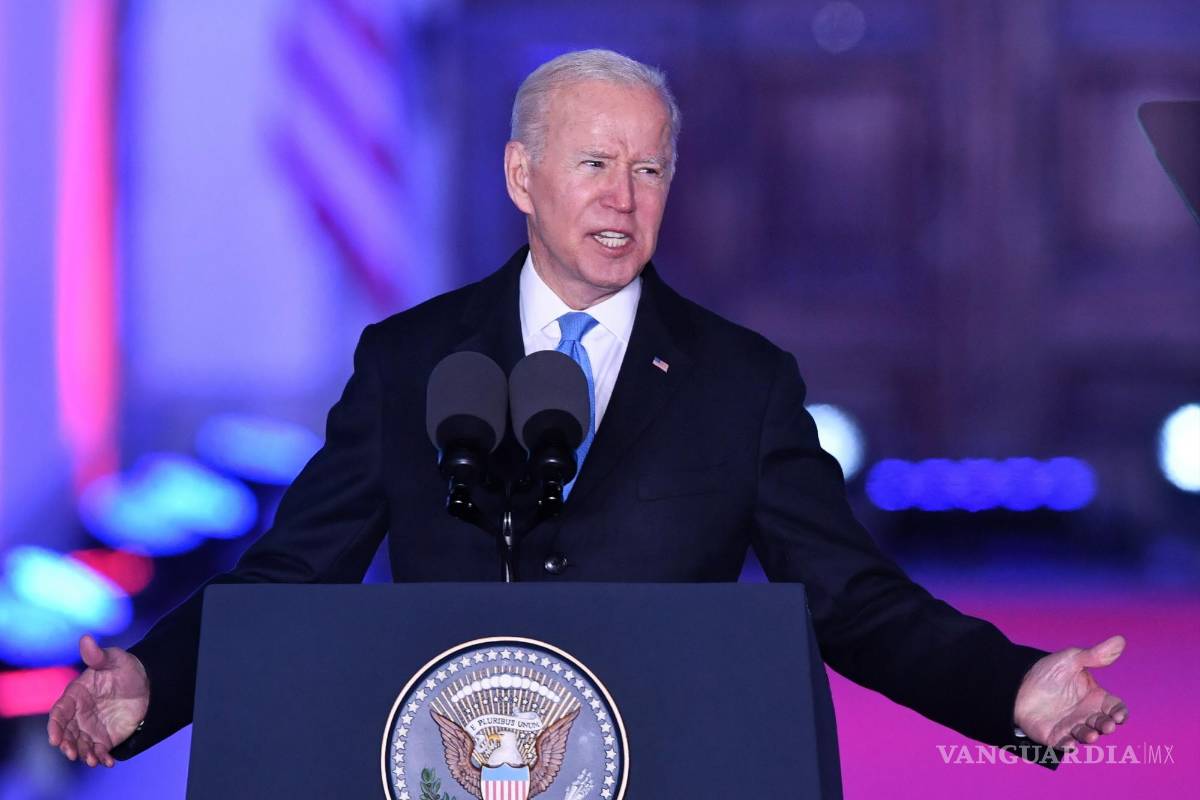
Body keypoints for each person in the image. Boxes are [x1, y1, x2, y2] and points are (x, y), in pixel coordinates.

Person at [48, 49, 1128, 770]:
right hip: (446, 765)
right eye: (596, 164)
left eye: (650, 169)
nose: (624, 197)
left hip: (670, 767)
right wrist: (155, 678)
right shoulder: (412, 358)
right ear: (523, 176)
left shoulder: (740, 379)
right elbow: (293, 573)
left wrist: (1013, 685)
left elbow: (852, 598)